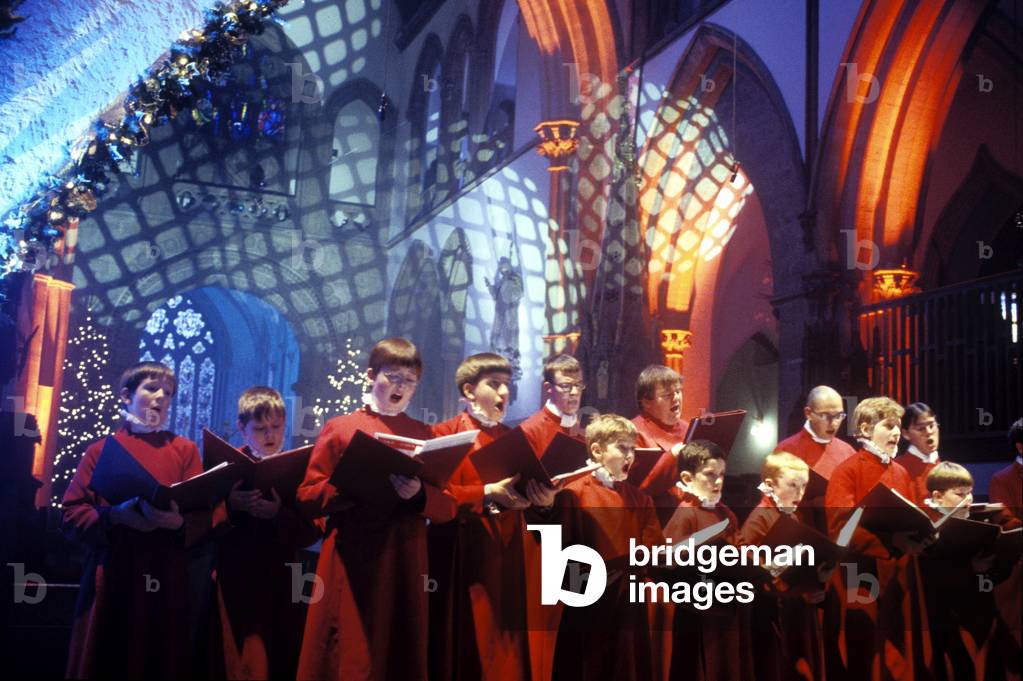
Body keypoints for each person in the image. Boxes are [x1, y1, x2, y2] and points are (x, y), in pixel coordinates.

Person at [295, 338, 457, 681]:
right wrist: (349, 484)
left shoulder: (424, 435)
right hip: (353, 556)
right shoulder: (341, 428)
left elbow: (448, 507)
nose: (401, 387)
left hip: (404, 556)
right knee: (351, 653)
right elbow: (307, 497)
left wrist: (418, 495)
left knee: (399, 649)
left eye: (410, 381)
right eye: (393, 377)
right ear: (371, 375)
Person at [63, 362, 227, 679]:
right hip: (114, 574)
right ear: (127, 396)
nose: (161, 397)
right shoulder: (101, 450)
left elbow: (202, 516)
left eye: (168, 393)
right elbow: (71, 514)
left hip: (164, 576)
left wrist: (177, 523)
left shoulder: (184, 451)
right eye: (152, 388)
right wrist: (115, 516)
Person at [428, 353, 554, 681]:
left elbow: (521, 498)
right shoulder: (443, 434)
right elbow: (434, 496)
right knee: (468, 645)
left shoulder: (513, 439)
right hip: (460, 554)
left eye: (507, 385)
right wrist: (485, 494)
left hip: (508, 554)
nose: (504, 393)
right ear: (469, 390)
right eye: (494, 384)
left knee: (506, 652)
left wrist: (541, 501)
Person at [209, 387, 320, 680]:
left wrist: (278, 514)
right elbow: (202, 523)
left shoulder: (299, 468)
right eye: (260, 429)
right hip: (236, 577)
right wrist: (230, 505)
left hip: (283, 580)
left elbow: (312, 530)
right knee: (238, 659)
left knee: (280, 657)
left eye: (276, 426)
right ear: (242, 428)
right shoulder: (225, 466)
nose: (270, 435)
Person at [824, 396, 932, 681]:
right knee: (865, 657)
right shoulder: (847, 470)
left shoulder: (901, 472)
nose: (897, 432)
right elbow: (840, 529)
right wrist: (891, 542)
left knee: (899, 660)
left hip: (898, 579)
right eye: (889, 425)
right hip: (860, 577)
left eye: (898, 426)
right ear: (865, 429)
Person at [549, 414, 664, 681]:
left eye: (633, 448)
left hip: (629, 609)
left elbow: (653, 550)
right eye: (622, 447)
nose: (630, 456)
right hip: (590, 612)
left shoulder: (640, 499)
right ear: (597, 451)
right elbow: (564, 553)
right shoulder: (573, 493)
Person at [662, 440, 751, 681]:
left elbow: (740, 549)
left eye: (722, 474)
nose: (718, 481)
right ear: (688, 478)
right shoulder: (686, 512)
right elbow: (669, 559)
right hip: (695, 610)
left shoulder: (725, 512)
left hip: (725, 605)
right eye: (710, 474)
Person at [739, 452, 827, 681]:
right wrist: (777, 568)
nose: (800, 493)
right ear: (770, 485)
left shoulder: (790, 516)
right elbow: (749, 566)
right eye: (793, 485)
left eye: (804, 486)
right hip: (770, 613)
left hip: (792, 609)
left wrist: (812, 585)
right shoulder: (760, 517)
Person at [775, 385, 855, 531]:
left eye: (839, 416)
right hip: (800, 533)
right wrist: (812, 504)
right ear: (808, 413)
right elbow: (771, 501)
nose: (834, 422)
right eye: (825, 416)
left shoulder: (847, 451)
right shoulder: (786, 450)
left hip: (840, 533)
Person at [630, 365, 691, 502]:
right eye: (667, 395)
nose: (676, 398)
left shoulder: (688, 428)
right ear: (646, 402)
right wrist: (673, 455)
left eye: (678, 391)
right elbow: (638, 488)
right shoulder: (632, 432)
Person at [518, 354, 586, 455]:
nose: (575, 392)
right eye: (566, 386)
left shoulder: (582, 428)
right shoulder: (528, 431)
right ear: (548, 388)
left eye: (578, 385)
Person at [895, 402, 942, 505]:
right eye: (921, 428)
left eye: (932, 425)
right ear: (905, 434)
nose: (929, 432)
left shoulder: (945, 468)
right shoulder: (897, 469)